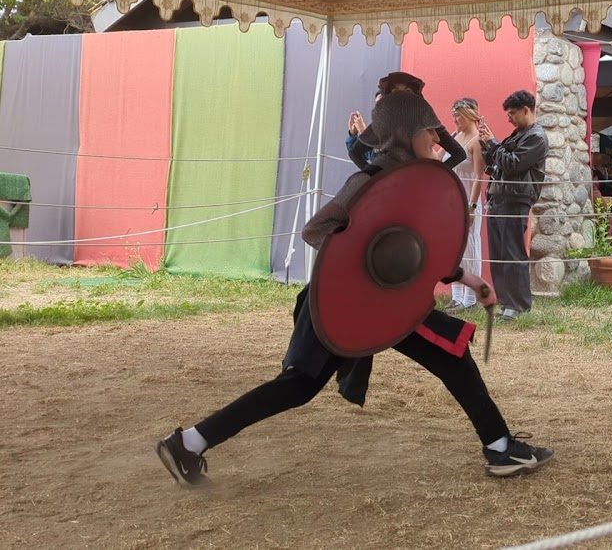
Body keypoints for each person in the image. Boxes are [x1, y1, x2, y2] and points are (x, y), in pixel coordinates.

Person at [155, 91, 554, 487]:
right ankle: (501, 448)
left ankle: (190, 442)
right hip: (348, 298)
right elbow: (317, 230)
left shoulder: (404, 184)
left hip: (372, 300)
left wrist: (469, 280)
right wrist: (364, 256)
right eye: (427, 131)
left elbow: (415, 251)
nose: (435, 138)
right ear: (404, 133)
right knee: (304, 385)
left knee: (302, 387)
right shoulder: (370, 181)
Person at [481, 90, 548, 320]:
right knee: (499, 255)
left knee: (512, 253)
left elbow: (513, 164)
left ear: (526, 110)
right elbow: (498, 162)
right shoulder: (518, 135)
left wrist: (492, 143)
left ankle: (518, 305)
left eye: (512, 114)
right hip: (500, 199)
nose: (508, 118)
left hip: (515, 200)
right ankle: (506, 303)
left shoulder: (536, 137)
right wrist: (487, 144)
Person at [347, 72, 466, 171]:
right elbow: (354, 153)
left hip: (417, 188)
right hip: (389, 189)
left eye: (407, 91)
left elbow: (459, 154)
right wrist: (373, 175)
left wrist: (435, 174)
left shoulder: (427, 121)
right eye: (396, 91)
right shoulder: (383, 122)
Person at [445, 98, 486, 312]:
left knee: (470, 247)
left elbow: (479, 176)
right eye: (453, 115)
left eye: (458, 115)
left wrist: (471, 206)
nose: (455, 119)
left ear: (470, 115)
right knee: (453, 249)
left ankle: (470, 298)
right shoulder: (453, 137)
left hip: (468, 200)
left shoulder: (476, 140)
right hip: (451, 203)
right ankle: (457, 295)